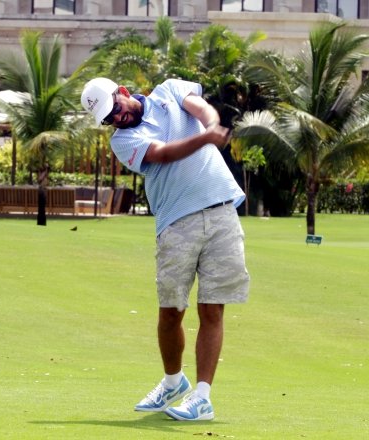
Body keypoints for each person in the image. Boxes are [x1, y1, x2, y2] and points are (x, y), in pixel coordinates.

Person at [80, 77, 250, 421]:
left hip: (221, 210)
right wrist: (205, 137)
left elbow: (198, 106)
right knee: (171, 311)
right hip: (176, 223)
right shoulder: (124, 141)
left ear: (123, 93)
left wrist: (212, 123)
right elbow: (163, 154)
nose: (116, 119)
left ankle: (202, 397)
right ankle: (174, 381)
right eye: (108, 119)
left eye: (115, 109)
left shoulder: (168, 90)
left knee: (212, 309)